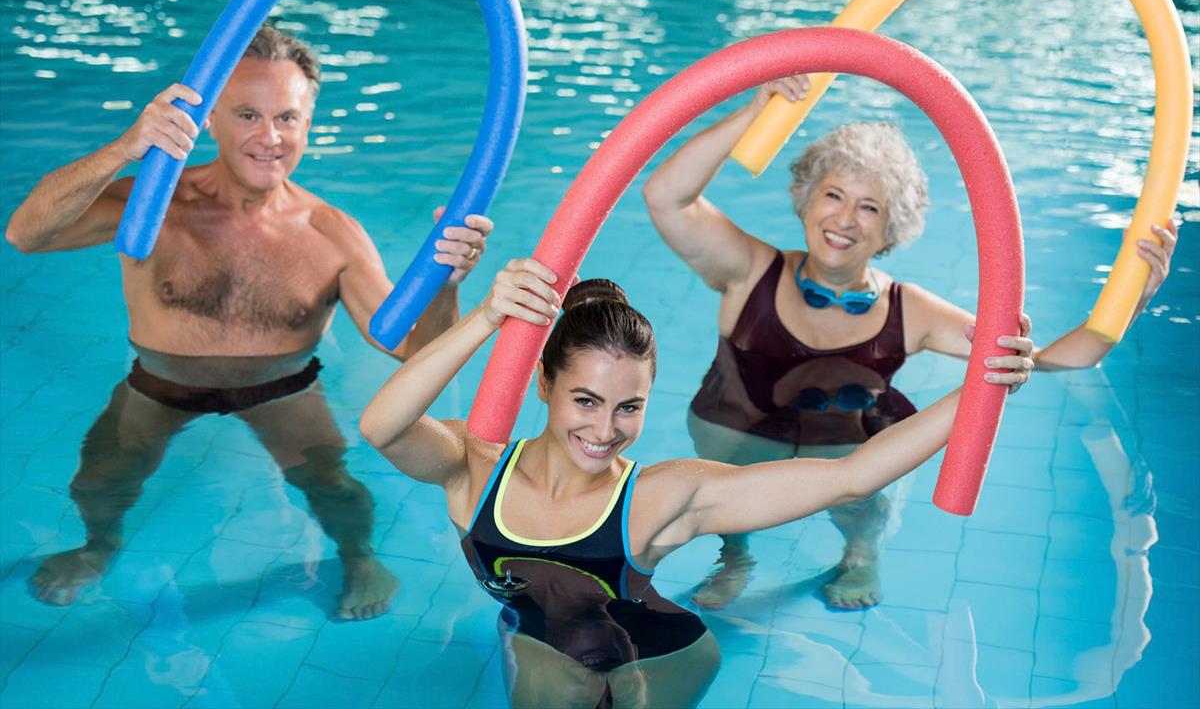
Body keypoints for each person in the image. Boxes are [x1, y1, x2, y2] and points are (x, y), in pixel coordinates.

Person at [358, 258, 1025, 707]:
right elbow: (380, 428)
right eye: (585, 400)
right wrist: (485, 319)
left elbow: (852, 477)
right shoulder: (476, 469)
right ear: (544, 384)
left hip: (663, 655)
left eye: (630, 407)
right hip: (545, 645)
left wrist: (984, 383)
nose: (606, 429)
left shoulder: (659, 498)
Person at [5, 26, 494, 620]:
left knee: (333, 487)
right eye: (247, 115)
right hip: (159, 383)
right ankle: (98, 546)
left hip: (282, 388)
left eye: (287, 117)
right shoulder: (155, 203)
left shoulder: (332, 235)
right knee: (98, 481)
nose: (270, 137)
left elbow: (418, 352)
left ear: (309, 123)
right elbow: (26, 234)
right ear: (209, 117)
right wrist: (126, 146)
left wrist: (446, 284)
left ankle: (359, 558)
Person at [641, 76, 1178, 610]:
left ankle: (860, 555)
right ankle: (735, 556)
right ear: (805, 200)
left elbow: (1043, 360)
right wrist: (754, 112)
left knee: (864, 501)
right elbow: (665, 196)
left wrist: (1134, 299)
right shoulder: (748, 269)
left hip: (844, 452)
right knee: (725, 501)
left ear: (891, 228)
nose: (845, 219)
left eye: (870, 207)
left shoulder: (911, 310)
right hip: (735, 435)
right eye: (833, 195)